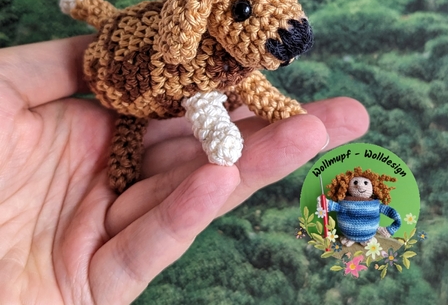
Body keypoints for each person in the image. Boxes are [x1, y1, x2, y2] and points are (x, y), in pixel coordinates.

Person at [0, 35, 369, 304]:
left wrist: (282, 111)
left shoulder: (237, 65)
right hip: (135, 95)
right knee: (137, 125)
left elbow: (255, 89)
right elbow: (206, 101)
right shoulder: (189, 54)